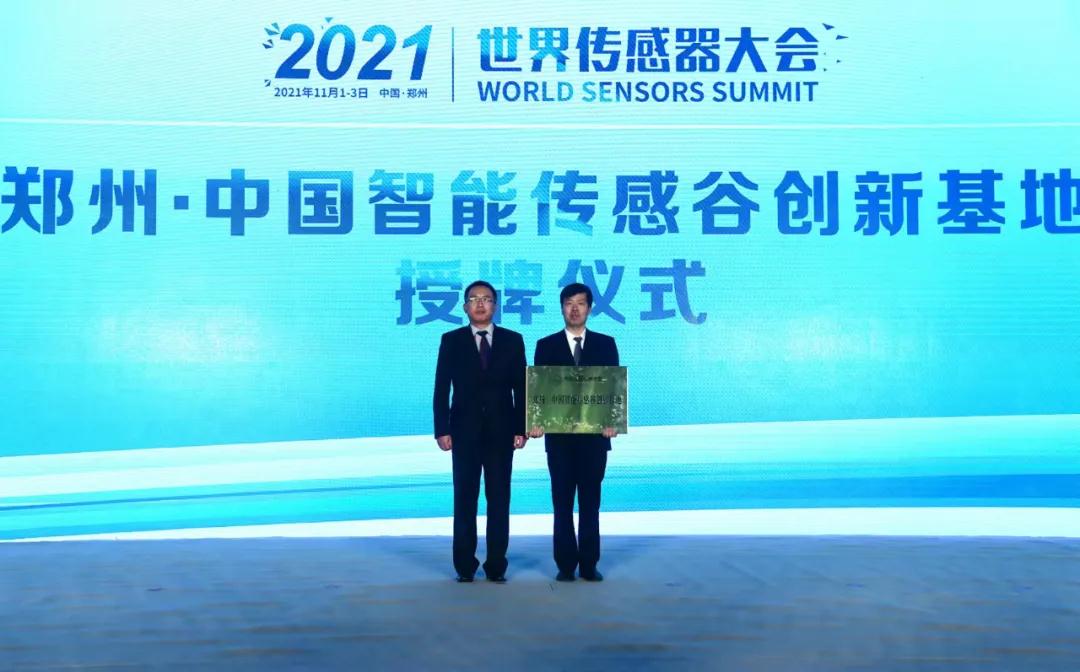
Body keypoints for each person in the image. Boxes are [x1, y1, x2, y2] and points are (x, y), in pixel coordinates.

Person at [433, 280, 527, 583]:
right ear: (465, 307)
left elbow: (522, 388)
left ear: (495, 306)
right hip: (464, 432)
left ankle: (496, 565)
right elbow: (441, 388)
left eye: (486, 299)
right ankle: (464, 565)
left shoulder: (513, 340)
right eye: (474, 299)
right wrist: (441, 429)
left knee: (499, 500)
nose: (480, 304)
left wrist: (522, 428)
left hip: (502, 432)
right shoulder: (451, 340)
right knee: (465, 499)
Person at [529, 283, 619, 582]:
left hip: (595, 439)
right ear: (562, 308)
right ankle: (565, 564)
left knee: (591, 503)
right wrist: (536, 420)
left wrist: (612, 420)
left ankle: (589, 563)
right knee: (562, 502)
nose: (575, 308)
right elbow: (539, 390)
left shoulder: (605, 343)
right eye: (569, 303)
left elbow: (612, 387)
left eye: (581, 303)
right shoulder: (546, 345)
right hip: (559, 440)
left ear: (590, 308)